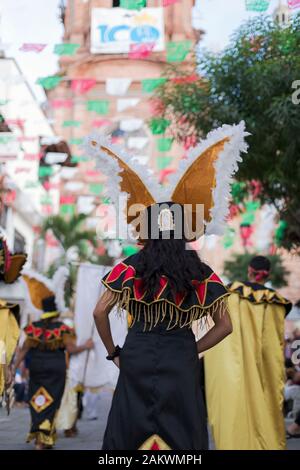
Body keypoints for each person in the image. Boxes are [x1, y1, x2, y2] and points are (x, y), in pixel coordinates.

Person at [86, 121, 248, 450]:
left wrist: (114, 353)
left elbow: (99, 312)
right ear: (183, 231)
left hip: (137, 354)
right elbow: (225, 326)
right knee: (182, 429)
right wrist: (193, 349)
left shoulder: (131, 267)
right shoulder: (198, 272)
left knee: (129, 429)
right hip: (181, 357)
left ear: (148, 229)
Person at [204, 255, 292, 450]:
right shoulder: (275, 303)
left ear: (249, 271)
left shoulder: (229, 294)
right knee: (265, 397)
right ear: (266, 275)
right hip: (262, 369)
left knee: (233, 401)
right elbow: (274, 348)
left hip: (232, 368)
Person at [14, 268, 93, 450]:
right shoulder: (62, 329)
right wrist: (87, 346)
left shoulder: (33, 328)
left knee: (36, 399)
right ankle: (44, 438)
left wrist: (15, 368)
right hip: (56, 369)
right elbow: (71, 349)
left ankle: (39, 436)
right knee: (52, 401)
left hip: (37, 368)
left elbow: (23, 350)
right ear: (56, 311)